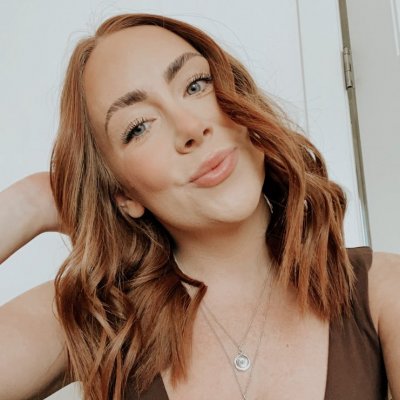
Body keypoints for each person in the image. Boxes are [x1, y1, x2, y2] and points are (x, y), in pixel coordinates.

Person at [0, 13, 399, 400]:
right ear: (124, 194)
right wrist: (34, 200)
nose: (191, 128)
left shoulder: (382, 290)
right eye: (139, 127)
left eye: (195, 85)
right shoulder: (98, 318)